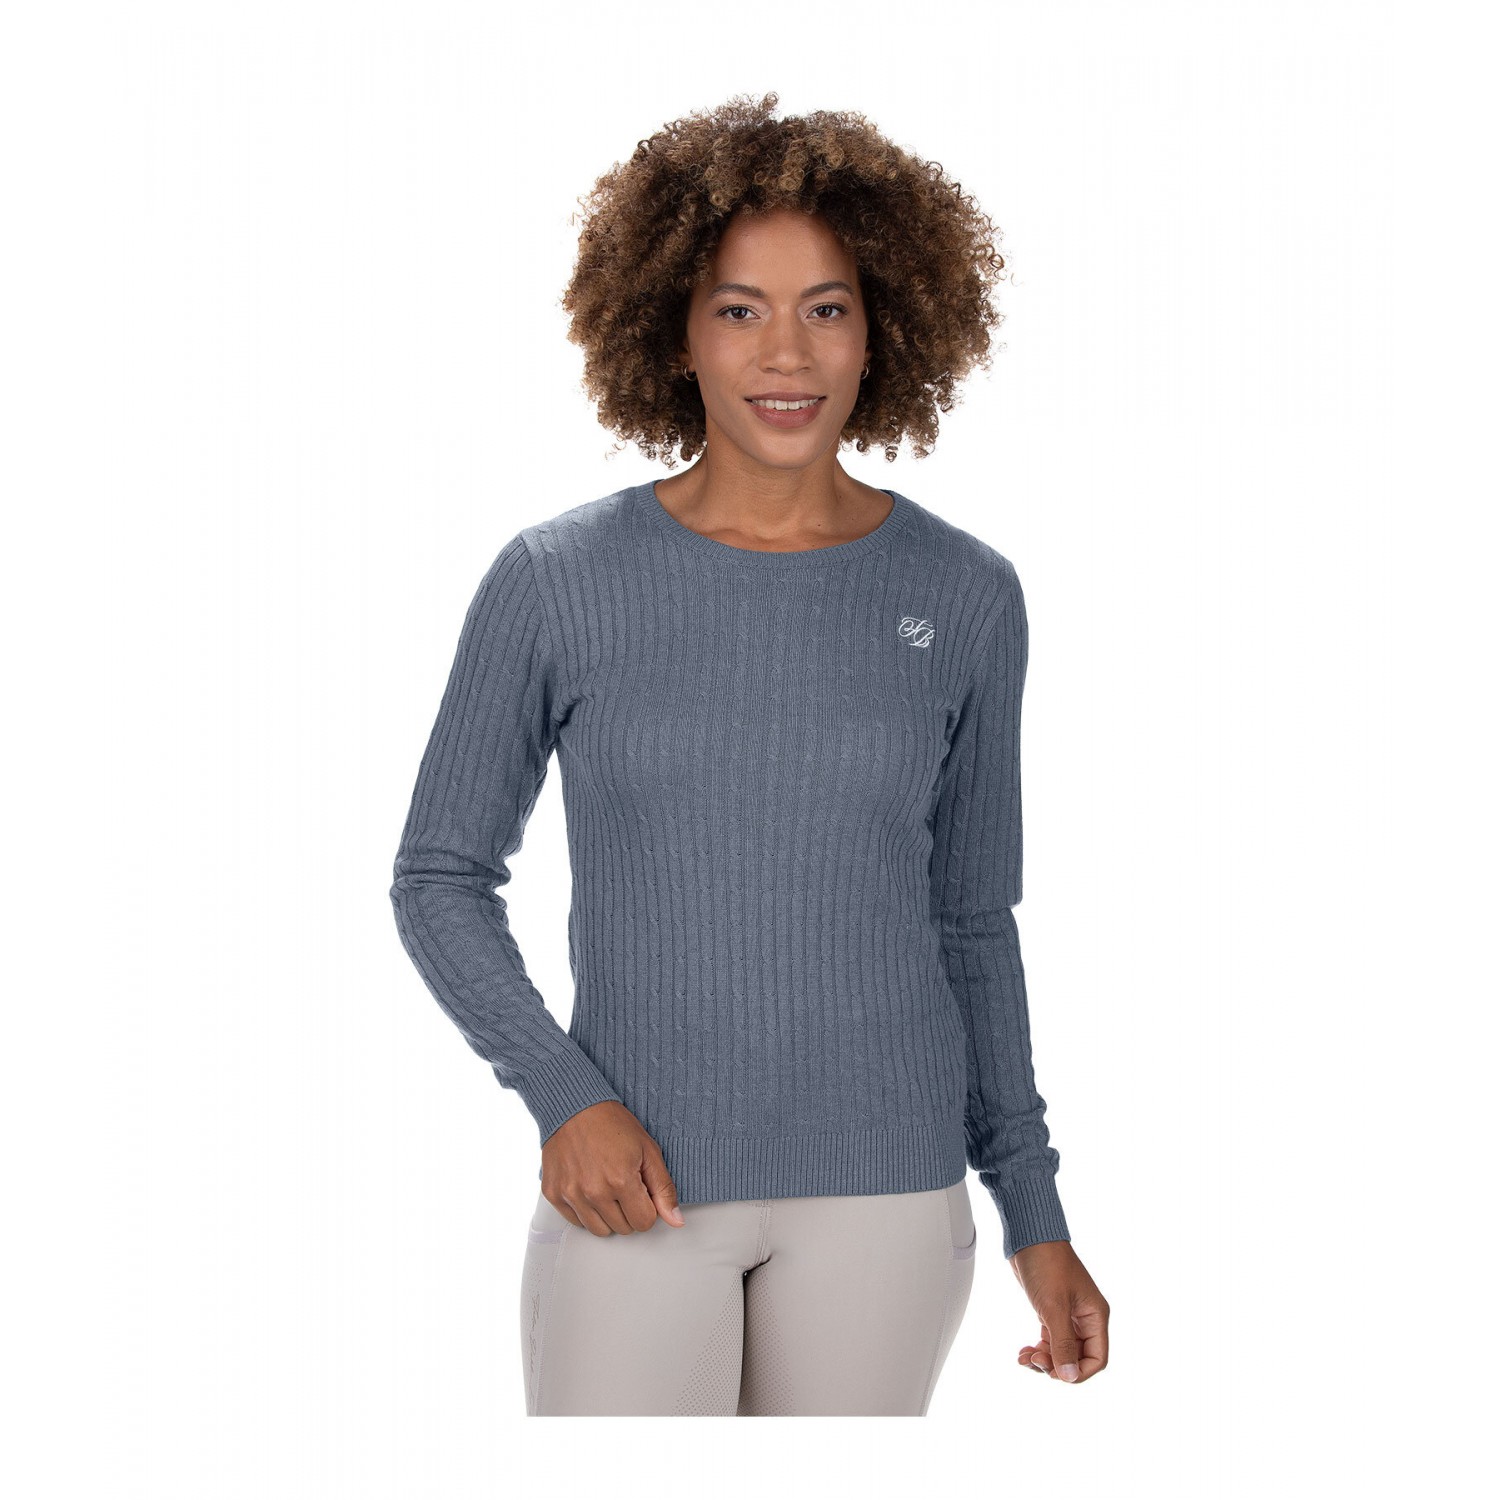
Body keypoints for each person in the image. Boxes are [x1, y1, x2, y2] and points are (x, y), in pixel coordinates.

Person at [389, 92, 1109, 1416]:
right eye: (739, 309)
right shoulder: (557, 581)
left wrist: (1037, 1212)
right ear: (674, 329)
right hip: (637, 1188)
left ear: (884, 326)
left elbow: (971, 922)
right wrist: (564, 1098)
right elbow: (438, 877)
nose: (788, 352)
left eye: (827, 307)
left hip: (890, 1198)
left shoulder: (965, 594)